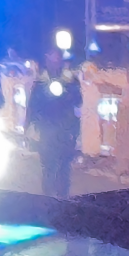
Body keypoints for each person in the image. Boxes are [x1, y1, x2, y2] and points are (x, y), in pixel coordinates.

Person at [26, 66, 83, 198]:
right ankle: (48, 196)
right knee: (48, 164)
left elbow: (78, 101)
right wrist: (29, 125)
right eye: (51, 56)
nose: (55, 59)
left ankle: (62, 195)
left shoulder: (70, 80)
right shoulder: (40, 82)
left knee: (64, 165)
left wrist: (75, 130)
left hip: (66, 129)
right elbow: (33, 105)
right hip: (47, 129)